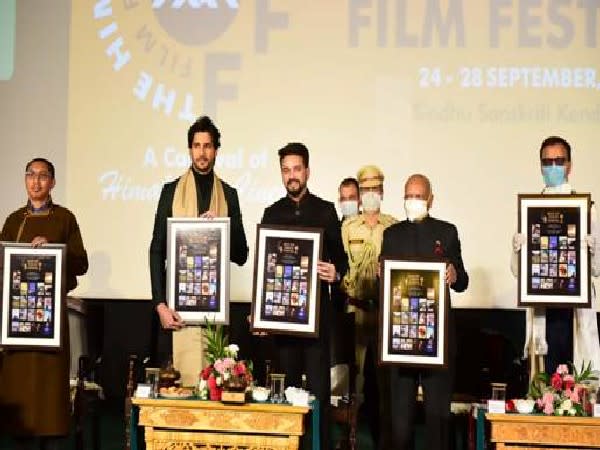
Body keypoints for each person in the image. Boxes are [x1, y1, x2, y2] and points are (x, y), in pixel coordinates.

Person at [261, 142, 347, 449]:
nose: (292, 175)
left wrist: (334, 273)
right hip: (284, 325)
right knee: (287, 396)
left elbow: (343, 263)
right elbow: (265, 270)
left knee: (320, 395)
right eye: (286, 170)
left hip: (316, 322)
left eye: (297, 169)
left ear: (307, 171)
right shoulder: (272, 213)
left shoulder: (324, 211)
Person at [0, 158, 88, 450]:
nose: (36, 182)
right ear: (25, 180)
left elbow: (81, 263)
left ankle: (51, 439)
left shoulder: (64, 218)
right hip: (18, 316)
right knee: (19, 387)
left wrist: (52, 249)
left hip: (49, 318)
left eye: (42, 176)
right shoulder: (14, 220)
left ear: (52, 182)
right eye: (30, 175)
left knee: (49, 390)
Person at [149, 115, 248, 365]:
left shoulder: (229, 194)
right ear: (190, 149)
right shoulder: (170, 191)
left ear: (216, 150)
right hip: (176, 308)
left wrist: (223, 228)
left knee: (213, 385)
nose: (202, 152)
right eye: (197, 146)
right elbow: (156, 250)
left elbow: (241, 255)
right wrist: (160, 305)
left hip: (215, 310)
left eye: (207, 146)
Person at [381, 173, 468, 450]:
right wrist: (380, 275)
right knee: (401, 424)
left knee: (438, 422)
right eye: (409, 196)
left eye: (418, 196)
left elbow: (463, 281)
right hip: (400, 341)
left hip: (437, 342)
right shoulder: (391, 235)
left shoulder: (447, 231)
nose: (413, 201)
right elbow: (384, 283)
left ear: (430, 199)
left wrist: (454, 274)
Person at [511, 136, 600, 376]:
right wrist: (517, 249)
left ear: (569, 165)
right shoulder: (531, 210)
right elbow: (518, 271)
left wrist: (594, 250)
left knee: (577, 373)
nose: (552, 167)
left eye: (558, 161)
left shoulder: (586, 209)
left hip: (575, 305)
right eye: (547, 161)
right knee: (545, 374)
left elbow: (596, 270)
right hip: (543, 302)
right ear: (540, 166)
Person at [340, 165, 397, 447]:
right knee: (355, 381)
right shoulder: (348, 228)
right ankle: (350, 439)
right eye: (366, 190)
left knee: (386, 383)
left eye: (375, 189)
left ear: (383, 192)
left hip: (386, 314)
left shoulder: (394, 226)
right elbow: (340, 270)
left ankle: (384, 440)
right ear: (360, 195)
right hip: (356, 311)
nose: (370, 194)